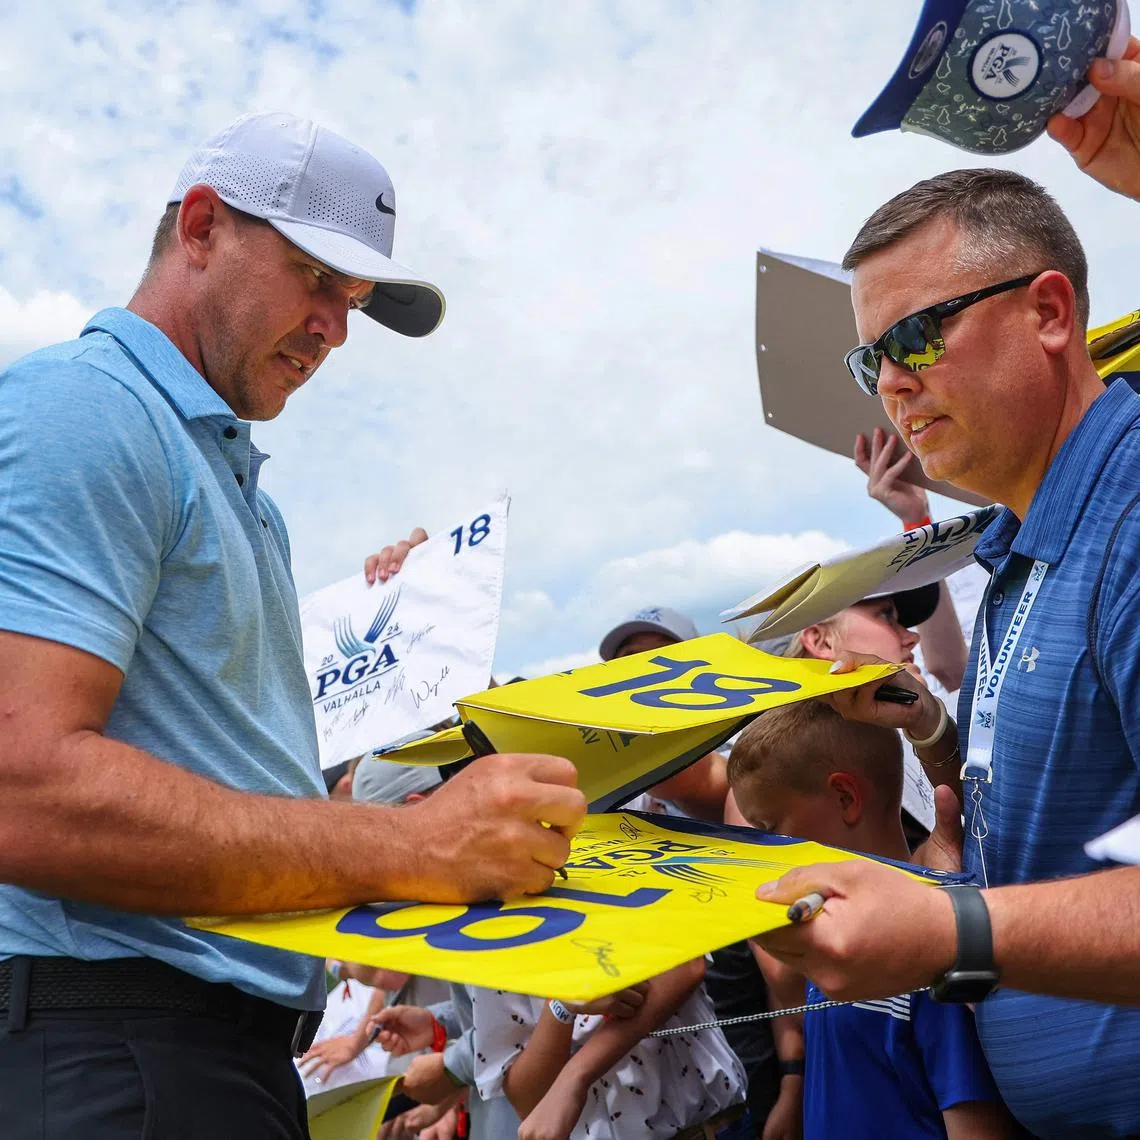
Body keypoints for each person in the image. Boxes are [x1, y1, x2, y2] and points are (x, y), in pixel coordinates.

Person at [0, 111, 586, 1137]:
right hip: (114, 1045)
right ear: (199, 229)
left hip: (198, 1050)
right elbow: (22, 785)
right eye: (317, 278)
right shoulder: (85, 408)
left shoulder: (234, 487)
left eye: (354, 301)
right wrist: (412, 844)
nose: (335, 330)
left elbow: (215, 756)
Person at [755, 168, 1140, 1136]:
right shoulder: (1021, 545)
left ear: (1049, 311)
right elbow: (1052, 823)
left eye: (914, 337)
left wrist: (951, 929)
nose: (890, 383)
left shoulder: (1129, 512)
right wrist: (928, 733)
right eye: (868, 361)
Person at [729, 702, 1011, 1140]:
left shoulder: (929, 946)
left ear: (845, 798)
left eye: (770, 829)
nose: (768, 854)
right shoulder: (836, 935)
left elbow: (977, 1125)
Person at [598, 606, 730, 820]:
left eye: (665, 653)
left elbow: (705, 778)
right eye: (629, 657)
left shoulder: (745, 735)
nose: (647, 666)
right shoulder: (602, 767)